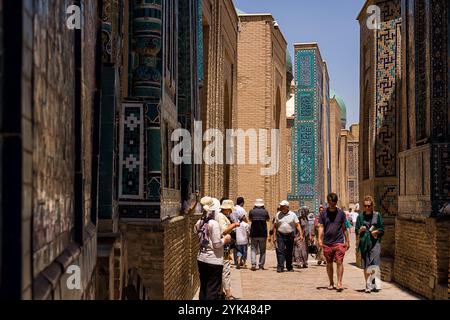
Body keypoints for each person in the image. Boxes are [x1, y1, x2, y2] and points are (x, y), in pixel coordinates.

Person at [195, 197, 232, 300]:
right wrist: (226, 239)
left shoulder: (199, 222)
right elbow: (216, 244)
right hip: (213, 261)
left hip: (201, 259)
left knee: (204, 288)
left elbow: (199, 237)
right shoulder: (213, 223)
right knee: (212, 290)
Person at [318, 193, 350, 292]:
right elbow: (321, 226)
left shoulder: (341, 213)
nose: (332, 205)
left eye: (334, 203)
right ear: (328, 202)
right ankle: (331, 282)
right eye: (331, 203)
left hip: (339, 242)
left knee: (339, 262)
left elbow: (344, 228)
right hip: (327, 243)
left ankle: (339, 282)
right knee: (329, 263)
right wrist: (319, 239)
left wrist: (347, 241)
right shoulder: (323, 214)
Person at [355, 195, 385, 293]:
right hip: (365, 242)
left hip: (375, 242)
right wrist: (360, 230)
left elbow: (382, 229)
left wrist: (376, 232)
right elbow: (356, 231)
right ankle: (368, 284)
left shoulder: (377, 215)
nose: (367, 207)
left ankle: (374, 283)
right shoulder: (360, 217)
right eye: (365, 206)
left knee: (375, 264)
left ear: (372, 205)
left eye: (369, 205)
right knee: (366, 265)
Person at [217, 199, 240, 300]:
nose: (230, 212)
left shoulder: (222, 216)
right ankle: (228, 294)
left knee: (224, 268)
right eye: (230, 210)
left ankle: (222, 292)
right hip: (224, 247)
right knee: (225, 269)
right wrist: (234, 225)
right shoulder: (221, 217)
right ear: (226, 209)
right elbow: (224, 231)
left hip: (225, 248)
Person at [272, 200, 304, 273]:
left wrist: (301, 234)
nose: (281, 207)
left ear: (287, 207)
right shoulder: (278, 214)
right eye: (281, 206)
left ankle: (289, 266)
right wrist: (274, 237)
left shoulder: (293, 215)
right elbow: (275, 226)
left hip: (290, 235)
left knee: (289, 252)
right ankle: (280, 267)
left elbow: (297, 225)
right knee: (280, 251)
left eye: (283, 206)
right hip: (280, 235)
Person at [248, 199, 270, 271]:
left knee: (253, 249)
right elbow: (268, 219)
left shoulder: (252, 211)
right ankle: (261, 265)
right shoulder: (265, 211)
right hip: (263, 234)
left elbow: (250, 219)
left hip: (254, 233)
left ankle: (253, 264)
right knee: (262, 250)